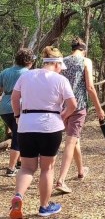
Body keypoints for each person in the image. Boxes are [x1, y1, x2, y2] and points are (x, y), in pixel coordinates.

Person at [9, 46, 77, 218]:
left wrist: (18, 116)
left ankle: (18, 197)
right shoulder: (60, 80)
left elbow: (14, 98)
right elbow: (73, 105)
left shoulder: (26, 76)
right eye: (61, 66)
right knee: (47, 168)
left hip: (26, 125)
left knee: (26, 167)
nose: (61, 69)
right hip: (50, 126)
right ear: (56, 63)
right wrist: (62, 116)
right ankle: (44, 206)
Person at [55, 37, 105, 193]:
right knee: (70, 141)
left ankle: (81, 170)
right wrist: (99, 109)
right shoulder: (85, 61)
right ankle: (61, 180)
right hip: (78, 106)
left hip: (63, 106)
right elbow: (90, 87)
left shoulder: (62, 61)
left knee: (74, 139)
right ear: (84, 49)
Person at [0, 48, 36, 177]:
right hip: (19, 107)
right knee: (17, 136)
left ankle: (19, 161)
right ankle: (11, 168)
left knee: (18, 133)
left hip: (4, 108)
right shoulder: (28, 73)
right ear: (29, 61)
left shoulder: (5, 72)